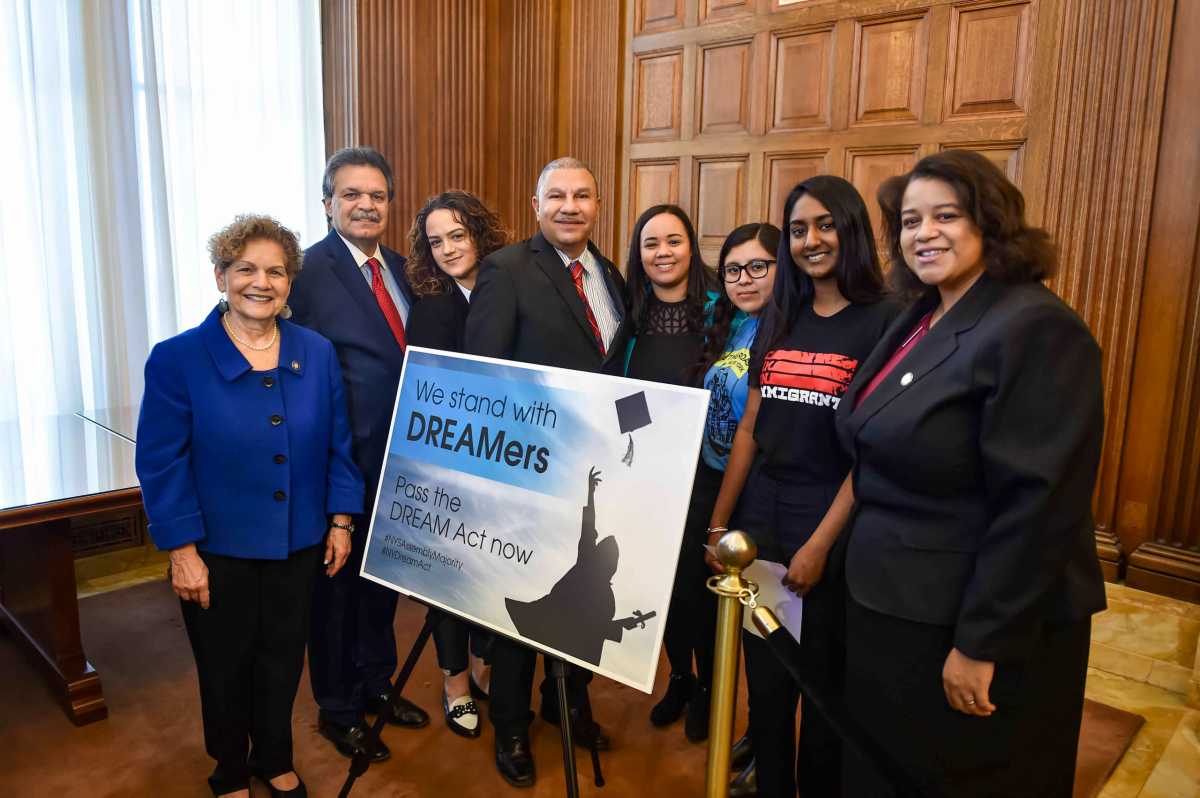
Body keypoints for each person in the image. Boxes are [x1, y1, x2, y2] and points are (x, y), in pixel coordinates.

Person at [835, 149, 1106, 796]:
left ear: (992, 222)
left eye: (945, 216)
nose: (923, 233)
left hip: (966, 624)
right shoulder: (923, 312)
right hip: (895, 605)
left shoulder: (1037, 328)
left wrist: (984, 643)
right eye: (909, 221)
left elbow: (1038, 508)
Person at [135, 215, 365, 798]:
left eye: (276, 271)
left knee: (284, 657)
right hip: (218, 548)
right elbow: (162, 463)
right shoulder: (177, 359)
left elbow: (339, 442)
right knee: (224, 666)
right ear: (221, 276)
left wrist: (340, 520)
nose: (261, 282)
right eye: (246, 269)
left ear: (289, 283)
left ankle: (274, 755)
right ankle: (231, 770)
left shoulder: (315, 351)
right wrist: (181, 551)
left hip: (301, 539)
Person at [706, 176, 900, 797]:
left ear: (850, 230)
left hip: (830, 517)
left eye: (824, 226)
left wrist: (818, 545)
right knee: (764, 679)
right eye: (797, 229)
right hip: (764, 512)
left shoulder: (885, 321)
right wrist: (720, 520)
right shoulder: (780, 317)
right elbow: (750, 429)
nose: (810, 241)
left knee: (818, 686)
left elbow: (869, 452)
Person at [464, 156, 632, 788]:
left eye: (582, 196)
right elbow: (484, 376)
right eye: (556, 196)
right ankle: (511, 725)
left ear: (597, 205)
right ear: (536, 205)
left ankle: (567, 705)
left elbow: (620, 370)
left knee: (586, 595)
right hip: (530, 475)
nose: (570, 206)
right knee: (525, 608)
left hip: (598, 472)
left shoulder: (612, 274)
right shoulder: (506, 270)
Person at [288, 146, 429, 764]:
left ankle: (376, 683)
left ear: (389, 205)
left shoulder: (402, 268)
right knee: (337, 590)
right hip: (340, 462)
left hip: (403, 458)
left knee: (383, 583)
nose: (366, 205)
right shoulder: (304, 271)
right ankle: (338, 709)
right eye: (351, 194)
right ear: (328, 205)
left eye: (376, 195)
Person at [404, 190, 509, 737]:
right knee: (447, 580)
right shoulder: (434, 307)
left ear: (480, 233)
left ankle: (487, 666)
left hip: (507, 463)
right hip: (447, 466)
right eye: (435, 240)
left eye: (457, 235)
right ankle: (455, 682)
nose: (447, 249)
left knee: (494, 571)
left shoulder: (511, 287)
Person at [621, 204, 716, 742]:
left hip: (705, 479)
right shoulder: (631, 317)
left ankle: (709, 688)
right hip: (648, 480)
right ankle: (680, 678)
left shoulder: (719, 311)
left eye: (673, 241)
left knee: (701, 588)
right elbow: (621, 391)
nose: (663, 253)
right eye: (651, 243)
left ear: (690, 248)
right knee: (665, 589)